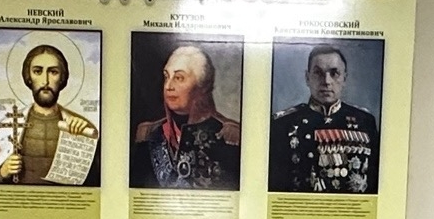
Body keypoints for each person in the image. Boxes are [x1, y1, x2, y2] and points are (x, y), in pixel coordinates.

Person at [267, 44, 380, 194]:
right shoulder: (282, 124)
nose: (326, 81)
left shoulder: (365, 122)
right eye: (318, 73)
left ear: (344, 79)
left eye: (334, 73)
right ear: (307, 78)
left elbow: (374, 184)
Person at [130, 44, 240, 190]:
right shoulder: (149, 135)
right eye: (166, 77)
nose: (168, 86)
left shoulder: (228, 137)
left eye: (179, 78)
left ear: (201, 85)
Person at [0, 42, 98, 186]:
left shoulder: (81, 126)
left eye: (53, 72)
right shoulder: (7, 126)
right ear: (28, 77)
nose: (45, 81)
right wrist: (2, 172)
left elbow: (95, 183)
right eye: (37, 71)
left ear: (62, 78)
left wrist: (84, 139)